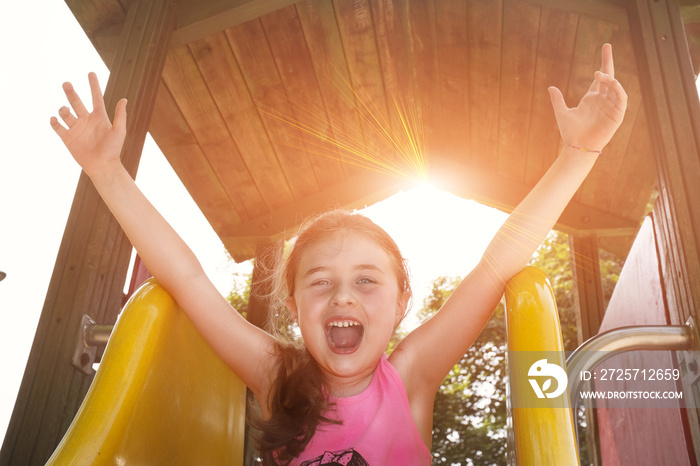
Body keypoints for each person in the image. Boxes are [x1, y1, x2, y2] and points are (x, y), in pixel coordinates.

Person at [50, 43, 627, 465]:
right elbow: (189, 279)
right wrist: (106, 171)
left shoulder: (411, 375)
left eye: (367, 281)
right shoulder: (278, 376)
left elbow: (498, 265)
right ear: (295, 305)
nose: (343, 294)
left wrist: (577, 154)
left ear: (403, 303)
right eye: (320, 282)